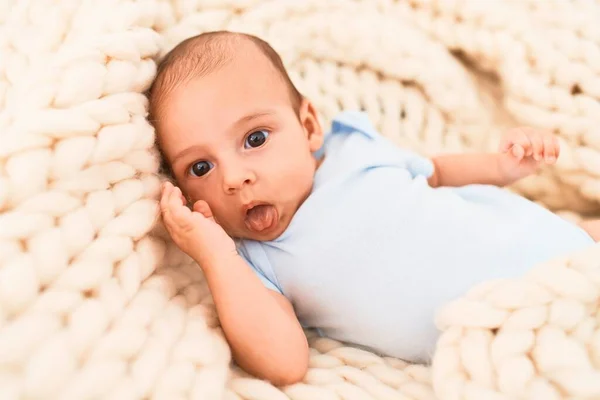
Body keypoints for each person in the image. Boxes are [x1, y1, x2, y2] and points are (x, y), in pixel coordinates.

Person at [147, 31, 598, 385]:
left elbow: (435, 171)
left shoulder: (352, 149)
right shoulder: (251, 262)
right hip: (510, 333)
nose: (232, 178)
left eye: (255, 139)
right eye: (200, 166)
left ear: (308, 127)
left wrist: (500, 167)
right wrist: (214, 257)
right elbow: (284, 363)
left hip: (540, 240)